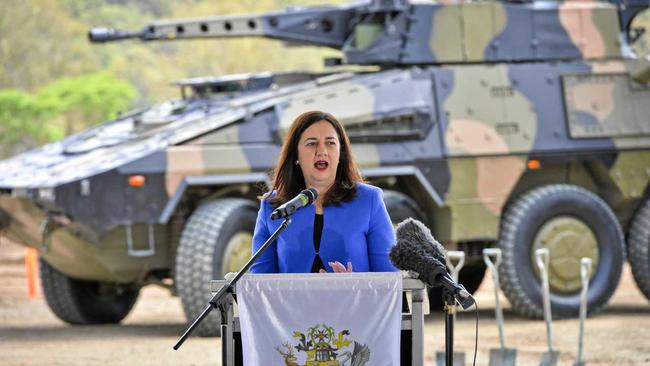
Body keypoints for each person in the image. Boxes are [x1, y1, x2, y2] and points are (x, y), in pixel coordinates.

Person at [250, 111, 397, 273]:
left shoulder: (369, 200)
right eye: (312, 143)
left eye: (330, 143)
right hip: (293, 300)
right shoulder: (272, 207)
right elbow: (260, 284)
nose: (322, 151)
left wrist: (355, 287)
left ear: (340, 153)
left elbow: (389, 279)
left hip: (356, 299)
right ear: (296, 156)